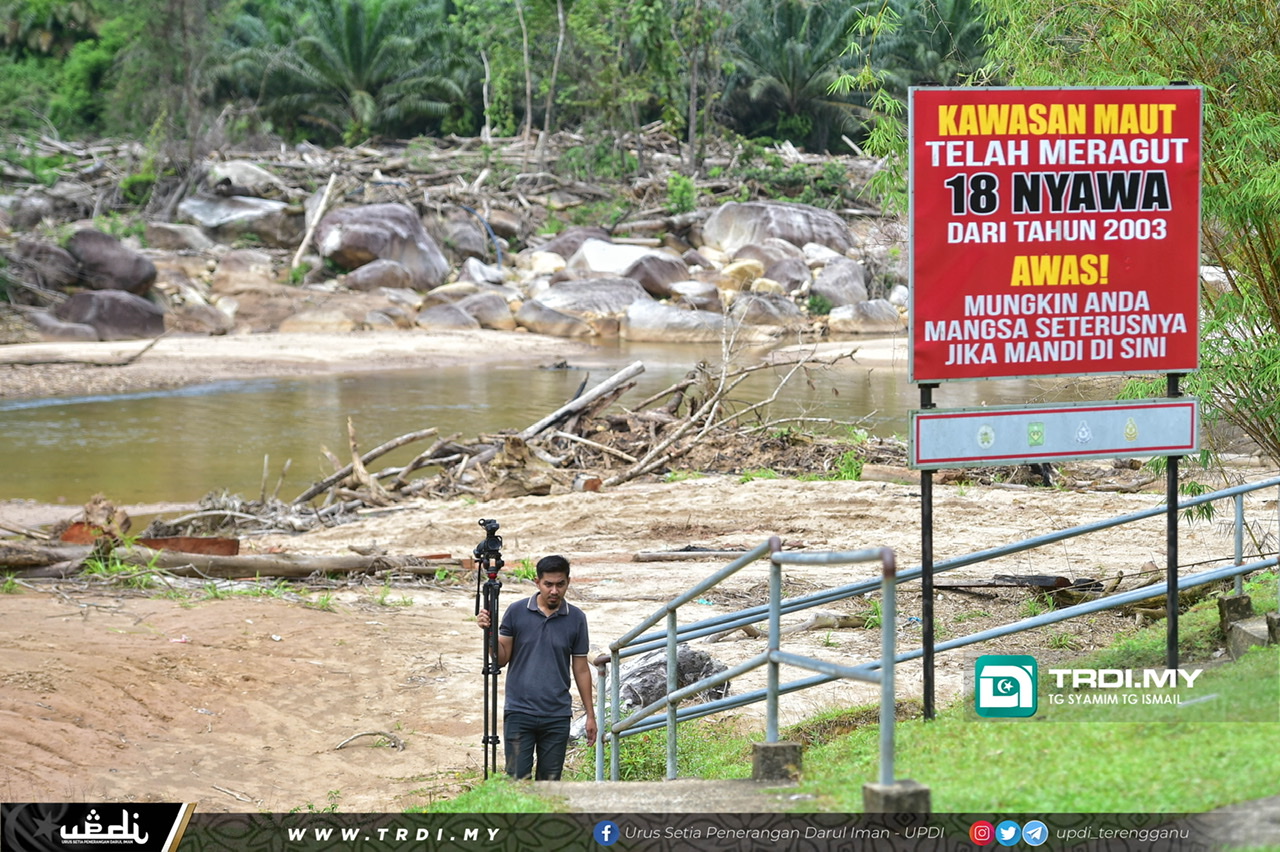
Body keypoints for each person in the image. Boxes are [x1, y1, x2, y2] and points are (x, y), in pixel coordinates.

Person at [475, 554, 597, 780]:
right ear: (537, 582)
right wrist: (489, 632)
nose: (554, 591)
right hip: (519, 712)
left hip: (557, 715)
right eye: (548, 584)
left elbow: (581, 669)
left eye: (560, 584)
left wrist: (590, 715)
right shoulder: (516, 611)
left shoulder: (576, 618)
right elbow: (501, 658)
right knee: (517, 781)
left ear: (568, 582)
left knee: (549, 784)